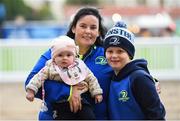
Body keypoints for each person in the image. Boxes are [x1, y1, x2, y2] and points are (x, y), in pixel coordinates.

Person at [25, 7, 113, 120]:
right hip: (55, 116)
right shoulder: (55, 54)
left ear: (98, 32)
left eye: (93, 27)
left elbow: (122, 78)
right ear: (73, 28)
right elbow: (30, 81)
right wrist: (69, 92)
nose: (88, 31)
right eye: (83, 26)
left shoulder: (107, 55)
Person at [25, 35, 103, 119]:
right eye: (60, 55)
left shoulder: (79, 66)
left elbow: (91, 78)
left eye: (68, 55)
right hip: (60, 104)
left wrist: (97, 92)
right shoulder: (50, 68)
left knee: (89, 117)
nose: (64, 58)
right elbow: (38, 78)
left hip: (81, 101)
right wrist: (31, 91)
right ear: (54, 58)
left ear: (74, 56)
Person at [103, 21, 166, 120]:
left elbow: (156, 115)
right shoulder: (111, 76)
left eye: (120, 51)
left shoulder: (139, 78)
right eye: (110, 51)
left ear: (129, 54)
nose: (114, 55)